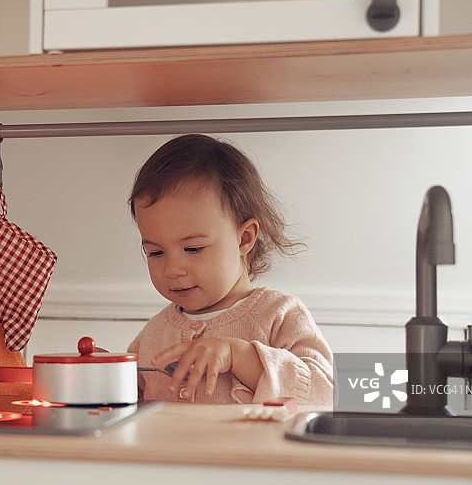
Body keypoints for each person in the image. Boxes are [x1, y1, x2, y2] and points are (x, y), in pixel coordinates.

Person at [127, 134, 333, 405]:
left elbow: (326, 395)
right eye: (156, 252)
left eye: (193, 249)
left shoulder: (279, 315)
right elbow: (128, 412)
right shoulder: (153, 334)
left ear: (244, 238)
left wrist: (240, 356)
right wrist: (107, 380)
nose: (173, 269)